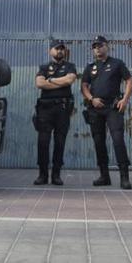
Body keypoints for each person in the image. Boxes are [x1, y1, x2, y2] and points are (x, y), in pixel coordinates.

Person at [80, 35, 132, 189]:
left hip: (113, 107)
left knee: (118, 140)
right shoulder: (90, 67)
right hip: (95, 109)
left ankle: (124, 177)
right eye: (95, 47)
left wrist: (124, 100)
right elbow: (84, 86)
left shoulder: (117, 63)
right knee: (99, 142)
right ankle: (104, 176)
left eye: (100, 46)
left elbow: (129, 81)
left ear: (107, 47)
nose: (97, 49)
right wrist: (91, 99)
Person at [32, 40, 77, 186]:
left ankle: (56, 175)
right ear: (50, 51)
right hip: (45, 109)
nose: (60, 51)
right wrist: (59, 81)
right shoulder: (44, 67)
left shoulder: (70, 66)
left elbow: (69, 80)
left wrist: (50, 80)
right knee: (43, 142)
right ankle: (42, 175)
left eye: (62, 49)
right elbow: (39, 83)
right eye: (57, 48)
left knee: (60, 142)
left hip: (62, 109)